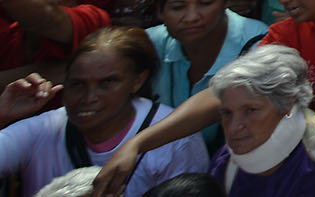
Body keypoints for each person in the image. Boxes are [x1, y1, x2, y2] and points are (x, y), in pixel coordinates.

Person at [0, 28, 206, 195]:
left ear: (137, 80)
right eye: (78, 85)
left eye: (107, 83)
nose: (89, 97)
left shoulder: (177, 140)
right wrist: (1, 115)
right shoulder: (43, 129)